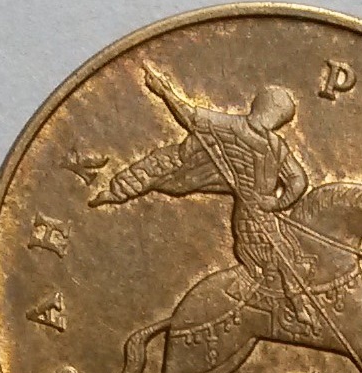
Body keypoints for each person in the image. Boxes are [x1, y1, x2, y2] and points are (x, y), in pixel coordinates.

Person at [93, 64, 316, 327]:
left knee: (296, 251)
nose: (279, 121)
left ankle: (284, 304)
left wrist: (276, 203)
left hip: (265, 212)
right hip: (250, 215)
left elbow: (299, 180)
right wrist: (164, 92)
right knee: (279, 256)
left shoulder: (273, 144)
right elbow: (190, 116)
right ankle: (293, 310)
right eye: (280, 115)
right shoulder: (235, 128)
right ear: (270, 111)